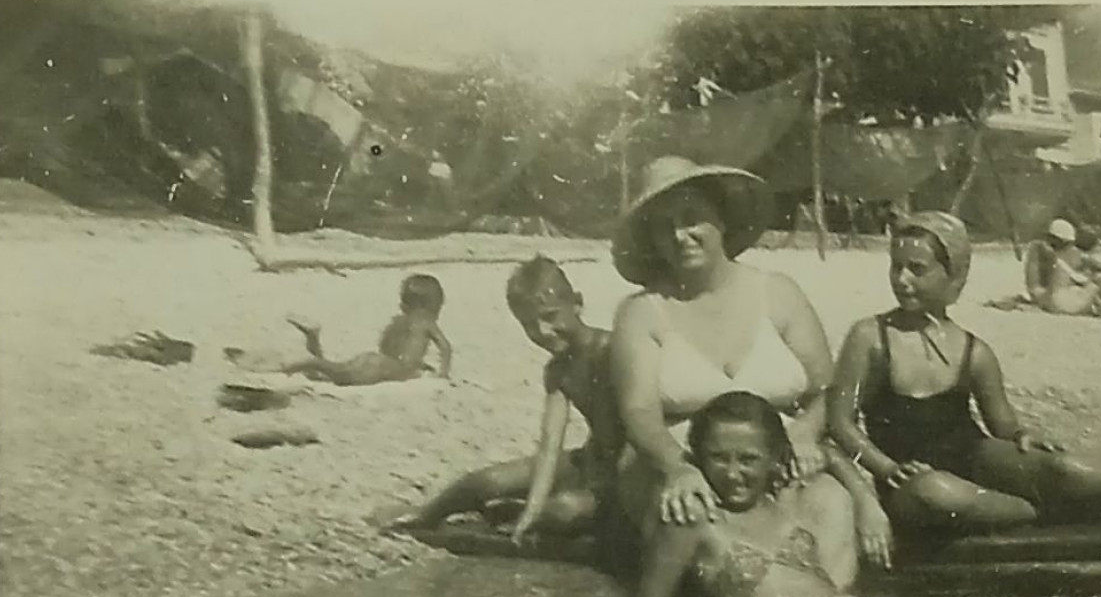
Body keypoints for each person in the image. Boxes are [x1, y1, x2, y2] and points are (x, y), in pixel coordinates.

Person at [827, 210, 1101, 532]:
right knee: (934, 493)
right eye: (897, 267)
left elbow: (1000, 424)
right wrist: (885, 468)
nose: (902, 279)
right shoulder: (870, 338)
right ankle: (1050, 513)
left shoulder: (973, 351)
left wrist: (1024, 437)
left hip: (976, 459)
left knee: (1067, 468)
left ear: (953, 278)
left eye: (917, 270)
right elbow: (841, 421)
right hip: (912, 482)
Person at [608, 156, 838, 545]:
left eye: (691, 218)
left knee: (833, 504)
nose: (681, 235)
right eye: (665, 227)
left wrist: (804, 434)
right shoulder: (642, 312)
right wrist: (677, 469)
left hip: (771, 460)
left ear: (723, 220)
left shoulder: (778, 293)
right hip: (675, 462)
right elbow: (639, 412)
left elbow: (828, 389)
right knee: (710, 531)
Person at [385, 257, 623, 544]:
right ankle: (428, 514)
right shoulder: (559, 369)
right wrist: (534, 509)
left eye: (550, 316)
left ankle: (519, 510)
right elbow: (549, 444)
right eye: (530, 326)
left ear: (577, 304)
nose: (543, 332)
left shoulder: (615, 351)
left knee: (565, 509)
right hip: (590, 460)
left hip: (631, 470)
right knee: (489, 481)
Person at [634, 392, 894, 597]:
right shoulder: (693, 515)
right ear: (699, 456)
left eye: (748, 459)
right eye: (718, 458)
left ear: (773, 458)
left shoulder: (784, 497)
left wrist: (865, 500)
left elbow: (827, 453)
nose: (733, 474)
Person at [225, 273, 453, 386]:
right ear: (432, 306)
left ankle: (313, 339)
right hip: (389, 368)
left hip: (377, 360)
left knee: (332, 372)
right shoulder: (426, 322)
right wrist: (442, 373)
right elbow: (445, 346)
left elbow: (385, 345)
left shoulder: (398, 321)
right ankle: (292, 363)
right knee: (332, 373)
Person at [1023, 218, 1101, 319]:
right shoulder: (1071, 254)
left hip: (1048, 300)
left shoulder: (1038, 250)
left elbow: (1033, 285)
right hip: (1064, 303)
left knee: (1092, 284)